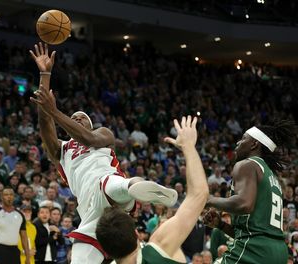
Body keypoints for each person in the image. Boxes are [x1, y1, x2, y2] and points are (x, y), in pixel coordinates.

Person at [29, 42, 178, 264]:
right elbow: (45, 122)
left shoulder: (103, 134)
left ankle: (144, 189)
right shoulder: (62, 149)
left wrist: (57, 112)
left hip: (105, 183)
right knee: (80, 256)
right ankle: (139, 190)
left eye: (82, 118)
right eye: (74, 117)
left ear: (90, 124)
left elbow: (87, 138)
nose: (78, 119)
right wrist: (45, 74)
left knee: (118, 185)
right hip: (89, 207)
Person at [95, 116, 209, 263]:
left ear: (106, 252)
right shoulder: (159, 246)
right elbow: (199, 194)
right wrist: (188, 147)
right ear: (136, 233)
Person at [203, 121, 295, 264]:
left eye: (243, 138)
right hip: (278, 252)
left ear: (254, 144)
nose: (238, 142)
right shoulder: (273, 178)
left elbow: (244, 204)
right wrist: (221, 225)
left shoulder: (248, 164)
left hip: (254, 250)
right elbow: (255, 230)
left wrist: (208, 199)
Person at [0, 187, 30, 264]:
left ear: (14, 197)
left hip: (15, 250)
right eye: (6, 195)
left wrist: (27, 257)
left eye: (11, 194)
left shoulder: (20, 215)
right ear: (2, 197)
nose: (9, 196)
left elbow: (24, 237)